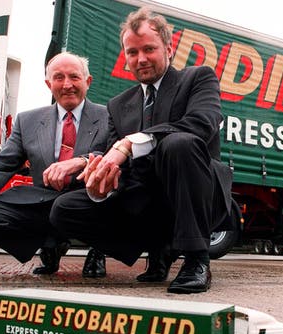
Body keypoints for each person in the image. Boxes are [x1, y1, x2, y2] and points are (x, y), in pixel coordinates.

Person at [50, 8, 233, 293]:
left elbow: (201, 125)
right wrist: (104, 186)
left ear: (169, 49)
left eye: (149, 49)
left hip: (194, 196)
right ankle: (159, 248)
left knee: (179, 143)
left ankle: (197, 259)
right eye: (133, 52)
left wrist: (130, 142)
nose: (141, 59)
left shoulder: (197, 78)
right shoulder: (118, 104)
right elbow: (120, 167)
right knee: (64, 209)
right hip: (146, 203)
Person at [0, 52, 109, 277]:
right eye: (59, 77)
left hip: (90, 202)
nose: (67, 85)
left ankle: (98, 248)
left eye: (74, 77)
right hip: (45, 200)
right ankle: (50, 243)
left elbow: (116, 155)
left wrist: (82, 162)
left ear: (88, 82)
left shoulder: (109, 116)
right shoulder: (28, 121)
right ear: (48, 84)